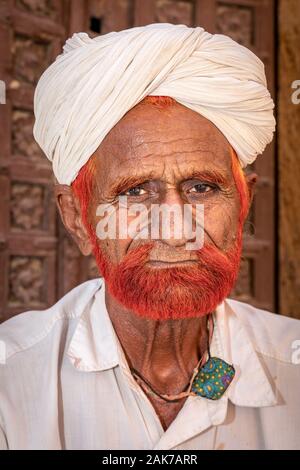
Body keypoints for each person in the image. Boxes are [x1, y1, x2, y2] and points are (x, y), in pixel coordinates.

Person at [0, 23, 299, 450]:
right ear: (77, 218)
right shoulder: (10, 378)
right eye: (135, 192)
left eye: (202, 188)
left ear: (243, 203)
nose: (175, 228)